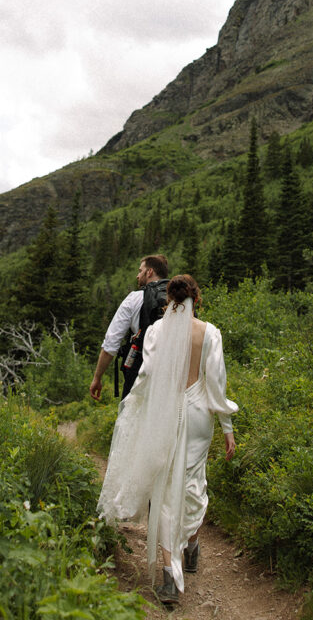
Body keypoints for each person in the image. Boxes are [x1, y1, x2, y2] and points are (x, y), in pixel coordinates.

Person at [97, 275, 237, 606]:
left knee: (163, 492)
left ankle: (170, 578)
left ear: (167, 301)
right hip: (200, 414)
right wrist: (228, 428)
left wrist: (132, 406)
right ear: (197, 299)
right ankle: (191, 545)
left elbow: (146, 377)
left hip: (164, 413)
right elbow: (216, 385)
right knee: (193, 482)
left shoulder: (156, 331)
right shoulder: (210, 334)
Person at [89, 254, 169, 401]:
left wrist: (97, 378)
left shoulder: (135, 298)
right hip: (172, 374)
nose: (138, 276)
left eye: (140, 271)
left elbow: (111, 343)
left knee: (129, 420)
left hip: (141, 374)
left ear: (149, 272)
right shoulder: (178, 298)